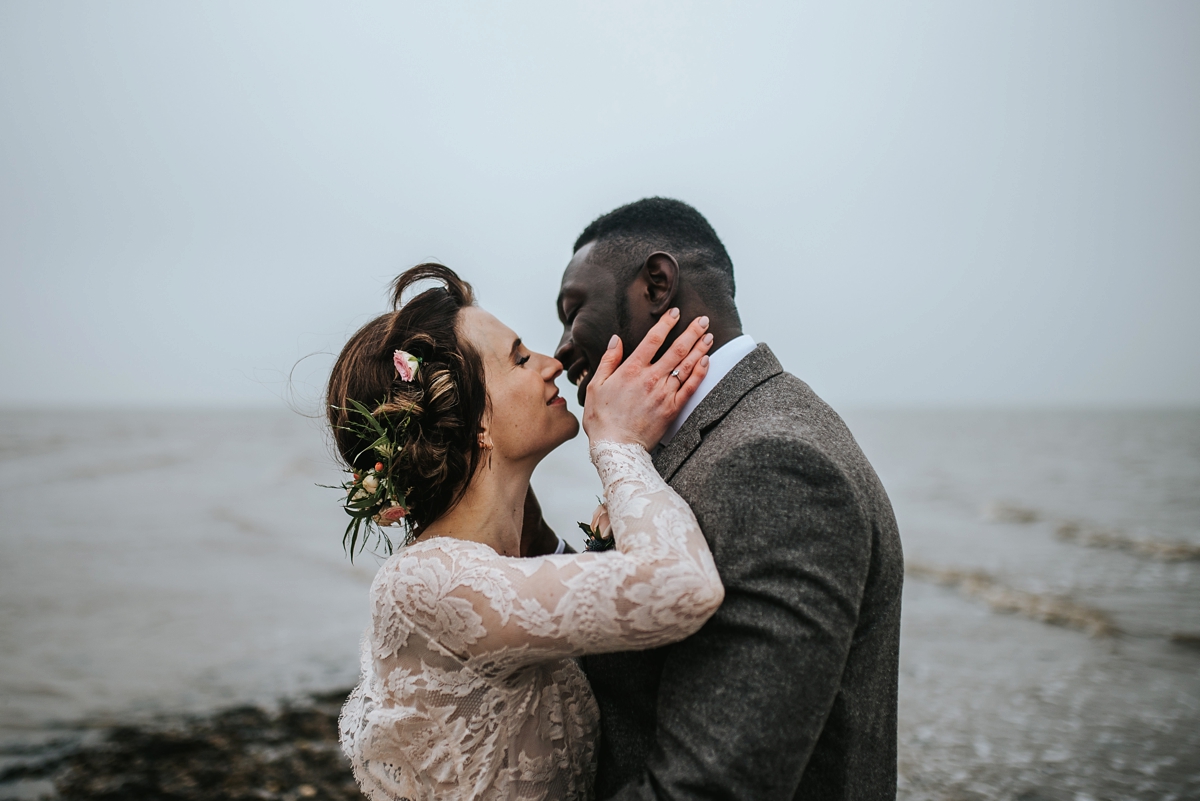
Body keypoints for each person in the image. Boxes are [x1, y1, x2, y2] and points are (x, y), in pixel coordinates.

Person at [552, 197, 905, 800]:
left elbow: (712, 788)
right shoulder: (719, 436)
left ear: (657, 284)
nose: (560, 350)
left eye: (572, 310)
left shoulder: (775, 463)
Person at [331, 263, 725, 801]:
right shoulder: (424, 584)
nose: (551, 363)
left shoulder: (508, 560)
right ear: (474, 423)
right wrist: (618, 445)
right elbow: (684, 586)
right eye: (519, 358)